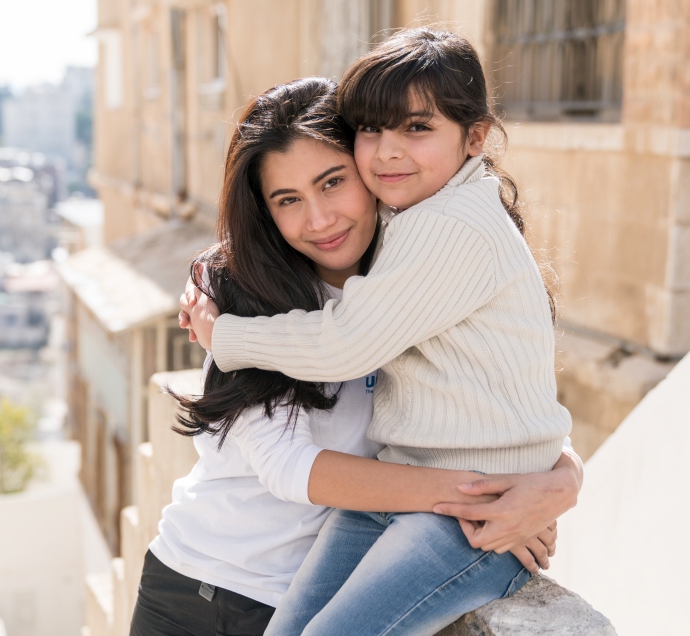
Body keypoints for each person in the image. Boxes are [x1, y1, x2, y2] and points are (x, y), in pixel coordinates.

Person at [134, 78, 581, 636]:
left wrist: (559, 479)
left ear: (370, 169)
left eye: (333, 182)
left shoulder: (425, 276)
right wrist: (476, 495)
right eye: (288, 200)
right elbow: (287, 467)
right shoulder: (246, 305)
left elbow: (499, 398)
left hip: (327, 595)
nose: (318, 219)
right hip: (200, 593)